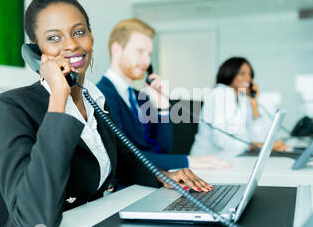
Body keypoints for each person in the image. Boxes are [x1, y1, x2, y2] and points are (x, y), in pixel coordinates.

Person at [0, 0, 213, 227]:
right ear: (36, 51)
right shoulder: (13, 106)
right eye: (54, 38)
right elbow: (35, 220)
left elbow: (126, 161)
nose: (72, 44)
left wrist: (164, 176)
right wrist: (59, 98)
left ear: (91, 38)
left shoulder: (96, 99)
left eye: (79, 32)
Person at [96, 18, 231, 171]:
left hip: (152, 181)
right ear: (116, 49)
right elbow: (124, 159)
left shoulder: (140, 97)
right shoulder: (101, 95)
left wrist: (163, 108)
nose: (146, 61)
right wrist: (188, 161)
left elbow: (162, 150)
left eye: (149, 54)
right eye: (140, 51)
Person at [190, 57, 289, 157]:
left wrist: (254, 104)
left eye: (250, 75)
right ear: (229, 74)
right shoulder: (219, 95)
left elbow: (258, 136)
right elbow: (221, 140)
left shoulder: (242, 98)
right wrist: (251, 146)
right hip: (208, 159)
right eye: (242, 74)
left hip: (235, 156)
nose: (248, 79)